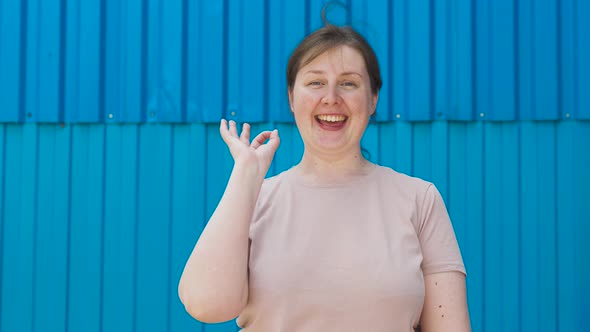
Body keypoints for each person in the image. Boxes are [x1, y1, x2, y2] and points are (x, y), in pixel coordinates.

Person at [178, 10, 471, 332]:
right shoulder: (253, 199)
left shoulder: (419, 199)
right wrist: (245, 176)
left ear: (372, 98)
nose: (331, 99)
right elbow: (206, 305)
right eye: (316, 82)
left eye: (348, 84)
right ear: (292, 97)